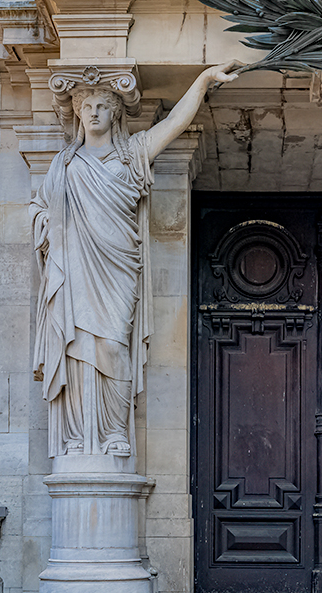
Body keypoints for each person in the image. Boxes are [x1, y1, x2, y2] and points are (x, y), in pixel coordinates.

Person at [32, 62, 242, 459]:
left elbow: (177, 122)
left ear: (115, 112)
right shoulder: (64, 165)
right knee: (76, 347)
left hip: (117, 268)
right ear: (78, 112)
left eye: (102, 106)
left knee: (113, 346)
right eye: (86, 105)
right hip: (76, 266)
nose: (93, 112)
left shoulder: (133, 155)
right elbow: (38, 208)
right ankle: (78, 435)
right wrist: (46, 222)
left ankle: (113, 430)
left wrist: (203, 80)